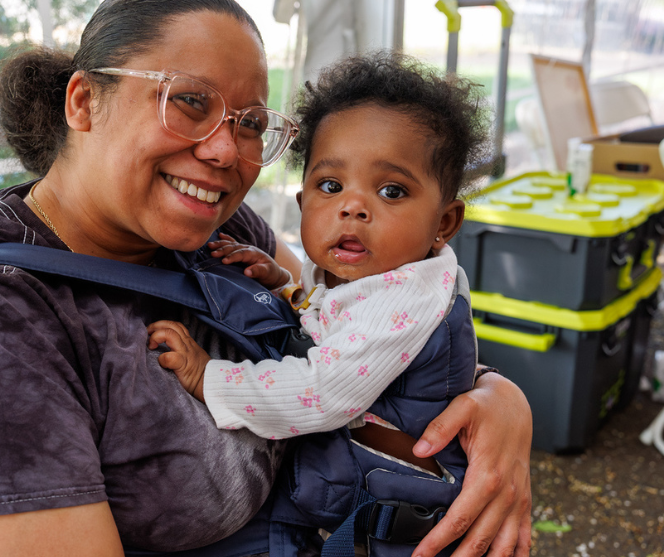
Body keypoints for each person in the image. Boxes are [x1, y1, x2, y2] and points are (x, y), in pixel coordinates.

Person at [0, 0, 533, 557]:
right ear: (83, 102)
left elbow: (361, 327)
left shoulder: (218, 231)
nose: (225, 151)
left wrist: (497, 399)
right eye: (190, 101)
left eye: (250, 123)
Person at [147, 51, 484, 551]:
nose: (352, 206)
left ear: (444, 222)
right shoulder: (371, 273)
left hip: (402, 527)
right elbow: (339, 321)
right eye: (331, 186)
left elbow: (323, 391)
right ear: (304, 203)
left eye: (392, 191)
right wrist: (287, 286)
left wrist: (208, 377)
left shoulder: (409, 295)